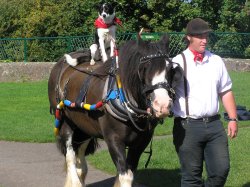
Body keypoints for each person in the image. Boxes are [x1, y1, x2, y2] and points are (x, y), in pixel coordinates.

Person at [171, 18, 238, 187]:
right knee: (191, 178)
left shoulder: (216, 60)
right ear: (189, 37)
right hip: (187, 126)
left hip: (215, 125)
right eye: (200, 36)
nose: (205, 40)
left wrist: (232, 119)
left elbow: (226, 90)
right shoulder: (176, 62)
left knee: (221, 170)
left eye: (206, 35)